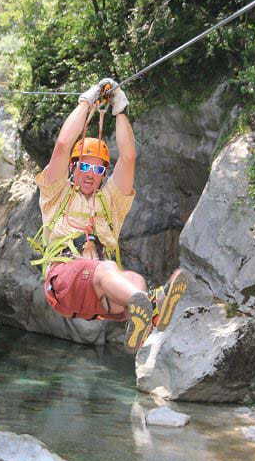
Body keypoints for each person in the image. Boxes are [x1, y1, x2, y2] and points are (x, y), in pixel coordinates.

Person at [32, 78, 187, 352]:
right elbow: (62, 145)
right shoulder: (56, 193)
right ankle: (152, 305)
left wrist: (120, 111)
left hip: (99, 299)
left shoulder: (110, 203)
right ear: (72, 168)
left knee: (134, 280)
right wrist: (85, 102)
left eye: (99, 170)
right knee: (108, 271)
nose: (92, 175)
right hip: (64, 283)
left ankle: (144, 316)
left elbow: (128, 158)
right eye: (85, 167)